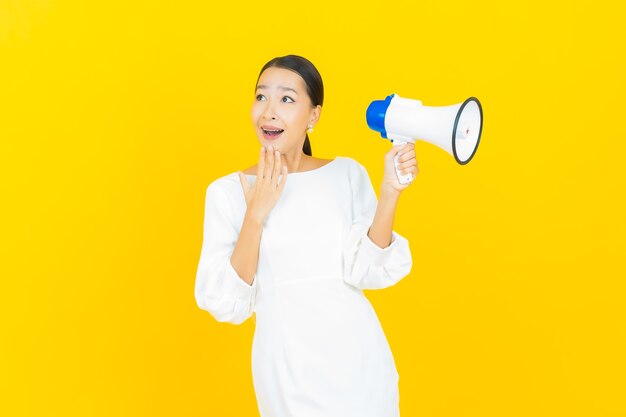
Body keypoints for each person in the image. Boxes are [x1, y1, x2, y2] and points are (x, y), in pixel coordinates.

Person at [195, 54, 417, 417]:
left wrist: (390, 190)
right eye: (261, 96)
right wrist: (256, 213)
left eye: (286, 99)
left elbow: (367, 269)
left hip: (360, 366)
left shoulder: (346, 173)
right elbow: (224, 301)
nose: (269, 111)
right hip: (287, 372)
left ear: (313, 116)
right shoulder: (226, 192)